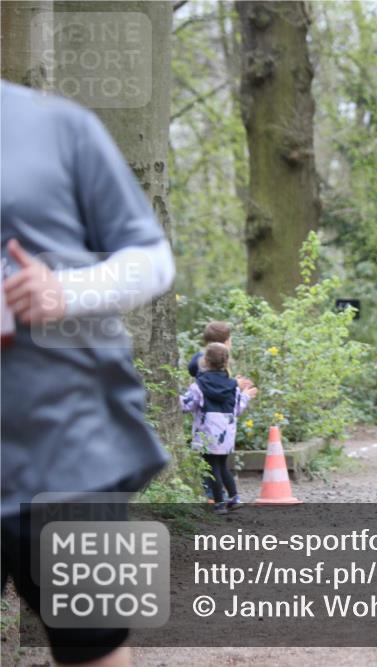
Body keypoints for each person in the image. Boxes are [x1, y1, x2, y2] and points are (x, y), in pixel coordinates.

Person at [1, 80, 175, 666]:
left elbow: (151, 259)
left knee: (93, 645)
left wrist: (64, 289)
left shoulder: (57, 126)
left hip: (69, 445)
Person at [180, 342, 257, 515]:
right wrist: (246, 395)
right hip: (226, 432)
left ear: (205, 361)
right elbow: (237, 409)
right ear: (226, 362)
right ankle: (234, 497)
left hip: (207, 431)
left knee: (211, 467)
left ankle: (219, 503)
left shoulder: (199, 385)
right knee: (222, 464)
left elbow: (187, 405)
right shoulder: (233, 385)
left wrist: (170, 396)